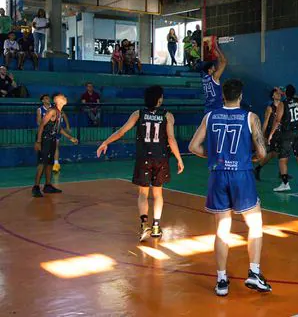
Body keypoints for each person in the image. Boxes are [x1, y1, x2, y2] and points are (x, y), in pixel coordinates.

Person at [188, 79, 272, 297]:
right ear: (241, 96)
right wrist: (251, 157)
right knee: (255, 224)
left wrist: (213, 157)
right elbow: (262, 153)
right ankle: (254, 272)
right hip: (241, 175)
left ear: (222, 96)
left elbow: (193, 147)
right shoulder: (250, 117)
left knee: (222, 229)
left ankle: (222, 280)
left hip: (217, 174)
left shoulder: (210, 116)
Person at [97, 85, 184, 241]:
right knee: (158, 194)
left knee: (143, 194)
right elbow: (171, 139)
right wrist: (179, 158)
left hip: (143, 158)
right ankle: (156, 226)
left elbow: (121, 131)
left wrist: (106, 142)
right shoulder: (168, 116)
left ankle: (144, 225)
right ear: (159, 99)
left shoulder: (138, 114)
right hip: (161, 158)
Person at [33, 93, 78, 197]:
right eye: (63, 97)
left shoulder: (59, 112)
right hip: (44, 140)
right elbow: (41, 125)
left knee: (49, 163)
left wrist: (70, 137)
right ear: (56, 100)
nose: (65, 97)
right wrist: (38, 141)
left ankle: (48, 185)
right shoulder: (52, 111)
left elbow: (59, 128)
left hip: (52, 139)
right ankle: (35, 187)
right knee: (42, 163)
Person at [269, 84, 298, 192]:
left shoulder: (283, 104)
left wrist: (271, 134)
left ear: (285, 93)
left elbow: (277, 121)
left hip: (288, 133)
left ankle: (285, 183)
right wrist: (286, 92)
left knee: (282, 159)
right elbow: (294, 96)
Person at [254, 87, 284, 181]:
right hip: (271, 133)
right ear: (273, 96)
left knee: (280, 153)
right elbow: (266, 122)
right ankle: (258, 168)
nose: (278, 95)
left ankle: (282, 172)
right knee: (273, 153)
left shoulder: (282, 106)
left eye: (279, 94)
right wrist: (262, 135)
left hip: (280, 132)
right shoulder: (270, 108)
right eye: (276, 93)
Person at [37, 94, 70, 174]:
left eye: (48, 98)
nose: (48, 99)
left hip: (56, 130)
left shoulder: (55, 108)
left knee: (56, 146)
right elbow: (39, 121)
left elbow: (64, 115)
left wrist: (68, 126)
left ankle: (56, 164)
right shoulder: (40, 110)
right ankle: (45, 165)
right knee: (46, 150)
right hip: (46, 132)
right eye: (46, 98)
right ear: (43, 101)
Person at [201, 43, 227, 114]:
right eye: (213, 68)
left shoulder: (204, 78)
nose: (215, 69)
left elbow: (219, 65)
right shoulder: (215, 77)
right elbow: (224, 62)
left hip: (207, 108)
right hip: (217, 107)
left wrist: (217, 56)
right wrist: (217, 48)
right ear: (209, 70)